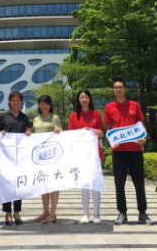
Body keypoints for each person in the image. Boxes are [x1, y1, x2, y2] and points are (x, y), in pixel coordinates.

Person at [103, 78, 151, 225]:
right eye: (116, 87)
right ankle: (122, 213)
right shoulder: (109, 107)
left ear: (125, 89)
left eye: (121, 87)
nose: (118, 89)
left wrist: (144, 138)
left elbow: (141, 125)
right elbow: (109, 129)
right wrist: (111, 141)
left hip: (135, 151)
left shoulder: (134, 105)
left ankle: (142, 213)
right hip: (118, 152)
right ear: (113, 90)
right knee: (119, 184)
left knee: (139, 183)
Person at [68, 89, 104, 224]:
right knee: (84, 185)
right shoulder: (73, 116)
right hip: (80, 155)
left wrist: (91, 130)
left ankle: (97, 214)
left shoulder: (96, 114)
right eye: (82, 97)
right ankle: (85, 214)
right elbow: (70, 135)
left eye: (86, 97)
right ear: (78, 100)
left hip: (94, 154)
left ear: (90, 99)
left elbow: (101, 133)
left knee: (95, 184)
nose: (84, 99)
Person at [0, 90, 32, 225]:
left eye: (18, 100)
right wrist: (1, 133)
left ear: (21, 102)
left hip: (20, 156)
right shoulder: (3, 116)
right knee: (7, 184)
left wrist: (29, 132)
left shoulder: (25, 118)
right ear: (9, 102)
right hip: (6, 156)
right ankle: (7, 213)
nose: (16, 102)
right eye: (13, 100)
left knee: (18, 184)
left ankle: (17, 213)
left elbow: (30, 131)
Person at [32, 94, 62, 224]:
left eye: (46, 103)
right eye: (41, 103)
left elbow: (61, 134)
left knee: (53, 184)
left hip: (52, 156)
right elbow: (33, 135)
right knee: (43, 184)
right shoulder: (35, 119)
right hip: (40, 157)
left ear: (50, 105)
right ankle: (45, 212)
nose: (44, 106)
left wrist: (58, 130)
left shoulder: (54, 118)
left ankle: (53, 213)